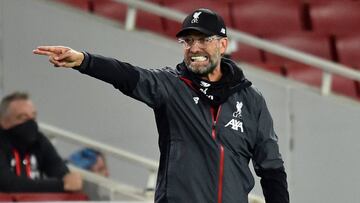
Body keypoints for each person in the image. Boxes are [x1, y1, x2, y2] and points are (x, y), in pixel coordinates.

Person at [33, 8, 289, 203]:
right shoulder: (171, 86)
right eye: (188, 41)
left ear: (222, 45)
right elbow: (127, 75)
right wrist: (84, 60)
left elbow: (272, 170)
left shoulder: (251, 100)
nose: (194, 48)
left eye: (203, 40)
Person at [0, 92, 83, 192]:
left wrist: (71, 179)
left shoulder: (39, 140)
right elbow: (8, 184)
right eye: (22, 117)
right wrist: (60, 185)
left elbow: (61, 172)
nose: (30, 123)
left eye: (33, 117)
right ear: (3, 121)